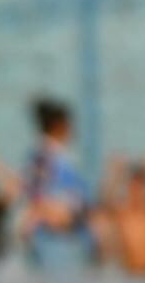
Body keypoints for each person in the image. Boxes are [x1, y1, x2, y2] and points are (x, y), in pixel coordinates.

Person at [20, 98, 94, 271]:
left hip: (68, 232)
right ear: (58, 125)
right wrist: (53, 214)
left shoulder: (59, 154)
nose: (72, 130)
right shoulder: (43, 156)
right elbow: (35, 193)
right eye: (69, 124)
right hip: (54, 236)